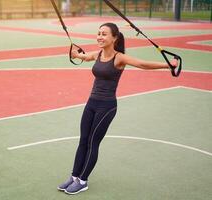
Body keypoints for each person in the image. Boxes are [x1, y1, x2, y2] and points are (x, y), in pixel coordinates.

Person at [57, 22, 178, 195]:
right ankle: (74, 176)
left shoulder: (119, 57)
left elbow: (142, 64)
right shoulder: (98, 54)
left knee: (93, 142)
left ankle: (83, 181)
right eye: (98, 33)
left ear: (114, 38)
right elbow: (85, 56)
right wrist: (76, 55)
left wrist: (167, 65)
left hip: (106, 106)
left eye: (104, 34)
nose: (99, 36)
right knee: (83, 140)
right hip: (91, 103)